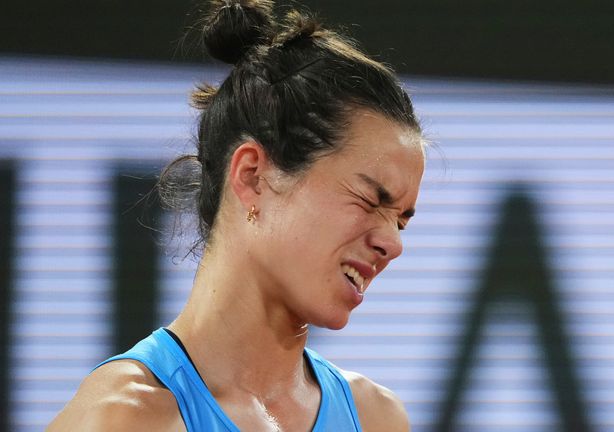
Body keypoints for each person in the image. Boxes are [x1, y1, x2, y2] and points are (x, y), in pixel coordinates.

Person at [46, 0, 425, 430]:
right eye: (369, 199)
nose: (393, 243)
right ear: (253, 176)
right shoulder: (124, 418)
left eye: (401, 219)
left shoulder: (379, 418)